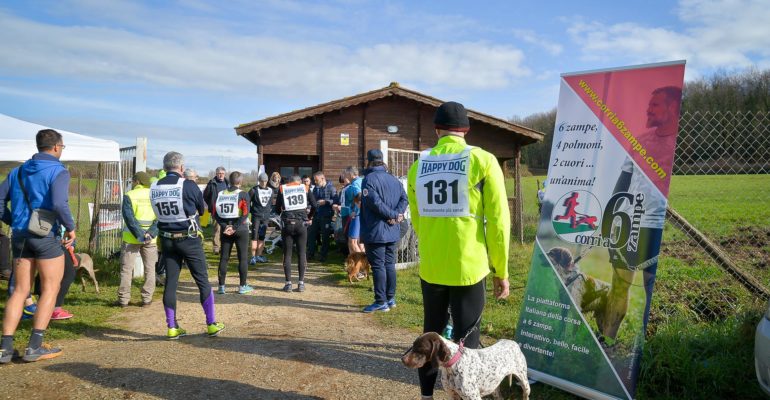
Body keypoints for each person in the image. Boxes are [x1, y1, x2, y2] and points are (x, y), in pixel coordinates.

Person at [406, 101, 511, 398]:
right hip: (469, 266)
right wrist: (501, 270)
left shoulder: (418, 166)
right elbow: (500, 222)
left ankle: (427, 395)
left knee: (430, 336)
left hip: (433, 266)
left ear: (437, 129)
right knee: (467, 340)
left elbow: (417, 217)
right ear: (465, 129)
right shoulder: (483, 160)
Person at [598, 86, 682, 340]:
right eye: (649, 104)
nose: (648, 109)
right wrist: (609, 218)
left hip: (655, 227)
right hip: (627, 224)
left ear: (672, 109)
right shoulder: (639, 141)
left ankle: (644, 347)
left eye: (655, 105)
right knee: (620, 286)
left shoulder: (678, 142)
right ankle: (607, 340)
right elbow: (622, 183)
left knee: (650, 288)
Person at [0, 129, 76, 363]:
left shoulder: (17, 171)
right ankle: (35, 346)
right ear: (55, 147)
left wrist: (14, 221)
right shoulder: (58, 171)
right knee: (50, 288)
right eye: (62, 147)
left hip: (21, 235)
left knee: (21, 291)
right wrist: (70, 227)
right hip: (45, 237)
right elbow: (58, 203)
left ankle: (5, 348)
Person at [151, 152, 224, 339]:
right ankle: (211, 323)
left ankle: (172, 326)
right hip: (188, 238)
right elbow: (201, 210)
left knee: (171, 283)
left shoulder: (154, 186)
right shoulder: (188, 185)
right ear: (181, 168)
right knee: (202, 280)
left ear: (164, 167)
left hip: (166, 240)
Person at [360, 149, 408, 313]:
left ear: (369, 161)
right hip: (392, 228)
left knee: (379, 266)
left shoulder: (368, 179)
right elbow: (404, 198)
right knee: (389, 264)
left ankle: (381, 301)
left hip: (376, 230)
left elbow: (375, 203)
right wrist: (396, 215)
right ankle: (390, 298)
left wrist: (393, 214)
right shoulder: (394, 179)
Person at [116, 172, 158, 307]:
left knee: (126, 269)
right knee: (150, 269)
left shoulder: (129, 195)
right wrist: (150, 234)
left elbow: (129, 219)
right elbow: (159, 218)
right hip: (150, 240)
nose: (132, 183)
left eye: (133, 181)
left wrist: (140, 235)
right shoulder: (155, 196)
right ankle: (147, 299)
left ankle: (123, 300)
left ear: (137, 182)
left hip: (131, 239)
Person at [275, 175, 316, 293]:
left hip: (287, 223)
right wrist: (309, 216)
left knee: (287, 254)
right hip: (301, 223)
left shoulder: (283, 188)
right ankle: (301, 283)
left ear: (289, 181)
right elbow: (314, 205)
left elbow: (277, 208)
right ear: (299, 182)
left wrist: (283, 210)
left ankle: (288, 284)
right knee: (302, 253)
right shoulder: (305, 188)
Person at [214, 171, 252, 295]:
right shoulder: (243, 194)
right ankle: (242, 286)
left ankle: (221, 286)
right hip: (240, 229)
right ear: (240, 182)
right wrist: (234, 227)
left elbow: (215, 213)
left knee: (224, 258)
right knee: (243, 258)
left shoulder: (220, 194)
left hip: (225, 229)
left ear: (229, 181)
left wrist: (225, 226)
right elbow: (245, 213)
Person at [307, 172, 336, 262]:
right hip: (316, 215)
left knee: (325, 236)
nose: (315, 182)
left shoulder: (331, 188)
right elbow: (313, 201)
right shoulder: (315, 189)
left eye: (316, 180)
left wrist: (326, 202)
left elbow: (336, 200)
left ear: (322, 179)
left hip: (326, 216)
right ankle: (310, 253)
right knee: (311, 234)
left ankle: (323, 255)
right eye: (314, 180)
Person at [248, 173, 275, 264]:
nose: (264, 183)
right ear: (259, 181)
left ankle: (259, 255)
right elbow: (247, 203)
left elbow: (271, 203)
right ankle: (252, 257)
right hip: (256, 216)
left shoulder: (271, 190)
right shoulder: (253, 190)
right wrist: (252, 211)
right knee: (254, 237)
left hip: (265, 217)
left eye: (265, 181)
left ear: (267, 181)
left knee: (262, 237)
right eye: (262, 181)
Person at [203, 166, 228, 255]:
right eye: (219, 173)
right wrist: (211, 204)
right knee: (217, 229)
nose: (220, 175)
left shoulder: (228, 183)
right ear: (216, 174)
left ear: (224, 174)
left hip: (226, 210)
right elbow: (205, 195)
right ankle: (216, 247)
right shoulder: (212, 183)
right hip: (215, 210)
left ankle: (224, 247)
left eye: (222, 173)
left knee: (225, 229)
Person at [342, 166, 365, 254]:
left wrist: (356, 211)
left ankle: (362, 265)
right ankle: (360, 265)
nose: (345, 176)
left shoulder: (355, 184)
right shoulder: (361, 181)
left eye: (346, 174)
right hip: (361, 216)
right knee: (359, 243)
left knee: (353, 242)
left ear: (351, 174)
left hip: (357, 216)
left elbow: (359, 197)